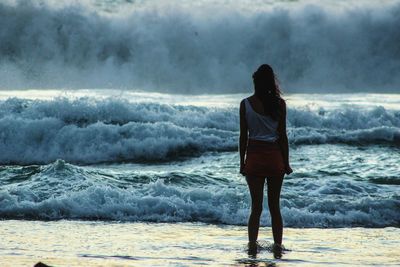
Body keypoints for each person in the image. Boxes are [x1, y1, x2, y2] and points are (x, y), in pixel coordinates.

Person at [239, 64, 292, 257]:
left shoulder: (245, 104)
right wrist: (286, 163)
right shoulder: (280, 104)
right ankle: (278, 247)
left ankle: (252, 246)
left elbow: (243, 137)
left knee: (256, 208)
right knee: (274, 207)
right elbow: (282, 137)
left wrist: (242, 162)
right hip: (275, 158)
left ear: (256, 82)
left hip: (253, 158)